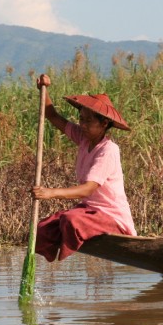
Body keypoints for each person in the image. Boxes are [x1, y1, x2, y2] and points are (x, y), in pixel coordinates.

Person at [31, 74, 136, 262]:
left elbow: (88, 188)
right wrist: (43, 90)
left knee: (71, 220)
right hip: (89, 211)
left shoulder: (108, 150)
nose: (83, 125)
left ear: (104, 124)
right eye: (81, 119)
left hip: (111, 217)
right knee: (44, 227)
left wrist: (51, 193)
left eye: (88, 121)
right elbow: (52, 116)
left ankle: (73, 241)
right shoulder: (83, 138)